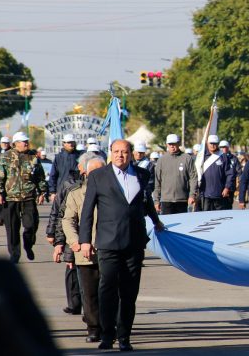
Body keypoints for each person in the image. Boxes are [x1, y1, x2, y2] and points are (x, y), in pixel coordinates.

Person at [79, 139, 164, 351]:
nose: (120, 155)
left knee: (129, 292)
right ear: (110, 153)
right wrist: (85, 240)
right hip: (107, 243)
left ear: (131, 154)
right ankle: (107, 335)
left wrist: (156, 220)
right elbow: (87, 211)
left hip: (134, 243)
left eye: (124, 152)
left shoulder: (142, 175)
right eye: (116, 152)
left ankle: (125, 336)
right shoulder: (98, 176)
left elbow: (146, 202)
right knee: (107, 289)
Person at [58, 155, 105, 343]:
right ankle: (93, 328)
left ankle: (111, 325)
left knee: (110, 290)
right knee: (90, 292)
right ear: (85, 173)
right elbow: (68, 219)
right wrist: (74, 241)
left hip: (109, 249)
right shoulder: (76, 194)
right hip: (84, 251)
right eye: (94, 171)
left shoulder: (112, 192)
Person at [0, 132, 47, 263]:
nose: (26, 143)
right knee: (12, 228)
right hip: (11, 198)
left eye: (27, 141)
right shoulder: (5, 157)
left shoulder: (33, 157)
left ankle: (28, 245)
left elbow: (40, 176)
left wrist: (42, 192)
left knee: (31, 225)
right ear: (16, 143)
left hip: (28, 197)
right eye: (23, 141)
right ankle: (14, 254)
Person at [46, 164, 82, 316]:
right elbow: (59, 211)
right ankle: (74, 303)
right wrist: (53, 234)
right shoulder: (69, 184)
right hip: (72, 233)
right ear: (82, 168)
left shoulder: (103, 183)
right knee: (71, 265)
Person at [153, 134, 197, 215]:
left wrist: (192, 195)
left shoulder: (187, 158)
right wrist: (156, 200)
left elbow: (193, 178)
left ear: (179, 143)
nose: (172, 146)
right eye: (170, 144)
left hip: (183, 200)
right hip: (166, 201)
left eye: (174, 144)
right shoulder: (162, 160)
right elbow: (157, 182)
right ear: (167, 145)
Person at [198, 135, 234, 211]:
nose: (213, 145)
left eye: (215, 143)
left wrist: (227, 188)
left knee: (219, 217)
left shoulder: (223, 156)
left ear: (218, 144)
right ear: (207, 143)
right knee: (206, 217)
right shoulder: (202, 156)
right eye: (211, 143)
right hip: (205, 194)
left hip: (219, 194)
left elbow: (230, 174)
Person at [49, 134, 80, 202]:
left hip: (76, 190)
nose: (71, 144)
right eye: (68, 142)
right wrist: (52, 192)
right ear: (64, 144)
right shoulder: (58, 157)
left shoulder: (80, 156)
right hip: (61, 191)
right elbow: (53, 175)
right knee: (60, 212)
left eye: (72, 142)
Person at [219, 140, 241, 209]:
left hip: (230, 187)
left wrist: (239, 184)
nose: (223, 149)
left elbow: (239, 172)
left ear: (228, 148)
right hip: (219, 186)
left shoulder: (234, 158)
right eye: (221, 147)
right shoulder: (216, 158)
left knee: (228, 206)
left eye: (224, 147)